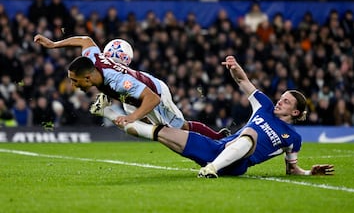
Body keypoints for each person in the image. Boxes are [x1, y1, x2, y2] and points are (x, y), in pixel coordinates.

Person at [105, 55, 334, 178]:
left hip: (237, 164)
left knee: (250, 132)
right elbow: (243, 81)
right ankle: (108, 113)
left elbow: (291, 169)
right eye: (281, 97)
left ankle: (212, 169)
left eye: (286, 101)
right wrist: (234, 66)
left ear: (295, 112)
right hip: (216, 148)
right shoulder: (263, 105)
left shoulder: (293, 138)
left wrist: (308, 172)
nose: (279, 101)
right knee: (162, 132)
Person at [33, 34, 230, 139]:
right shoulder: (91, 58)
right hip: (130, 95)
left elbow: (153, 98)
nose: (73, 85)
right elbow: (85, 40)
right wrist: (53, 44)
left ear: (88, 76)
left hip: (155, 90)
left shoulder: (117, 80)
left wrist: (131, 117)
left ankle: (216, 137)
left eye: (75, 81)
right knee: (145, 125)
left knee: (178, 128)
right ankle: (110, 102)